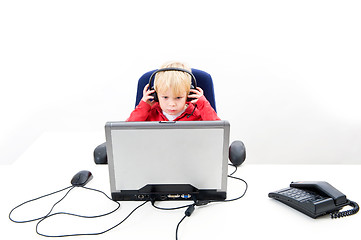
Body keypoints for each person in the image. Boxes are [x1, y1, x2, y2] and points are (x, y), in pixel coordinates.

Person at [126, 61, 220, 121]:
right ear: (155, 95)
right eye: (165, 97)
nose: (172, 104)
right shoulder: (151, 113)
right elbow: (127, 131)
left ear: (188, 94)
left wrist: (203, 104)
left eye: (178, 97)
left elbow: (218, 132)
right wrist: (144, 106)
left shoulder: (196, 114)